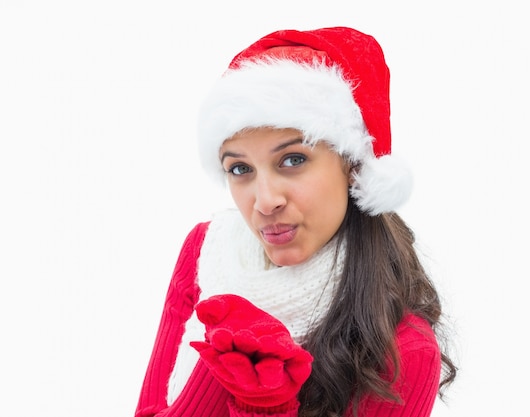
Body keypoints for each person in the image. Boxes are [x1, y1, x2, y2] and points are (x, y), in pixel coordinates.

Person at [134, 26, 457, 417]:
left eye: (293, 160)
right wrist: (219, 362)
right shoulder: (206, 250)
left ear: (352, 166)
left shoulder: (405, 351)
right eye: (240, 169)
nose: (265, 201)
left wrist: (264, 405)